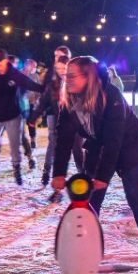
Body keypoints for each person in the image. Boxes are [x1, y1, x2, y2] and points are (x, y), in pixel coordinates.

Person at [50, 56, 138, 274]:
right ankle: (83, 255)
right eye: (67, 76)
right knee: (89, 201)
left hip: (130, 147)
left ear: (89, 76)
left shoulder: (111, 97)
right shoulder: (69, 101)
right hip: (97, 148)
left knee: (135, 197)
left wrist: (103, 176)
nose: (68, 80)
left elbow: (114, 141)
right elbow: (63, 138)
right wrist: (59, 172)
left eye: (73, 76)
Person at [0, 49, 44, 189]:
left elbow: (30, 84)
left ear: (6, 60)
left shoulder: (14, 74)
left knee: (15, 145)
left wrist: (46, 89)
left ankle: (17, 168)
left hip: (13, 116)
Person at [37, 49, 83, 193]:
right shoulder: (52, 76)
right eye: (55, 56)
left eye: (59, 56)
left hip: (73, 120)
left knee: (76, 148)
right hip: (55, 114)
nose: (56, 59)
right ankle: (48, 173)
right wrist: (35, 115)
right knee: (56, 145)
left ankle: (84, 173)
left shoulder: (74, 76)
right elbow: (45, 94)